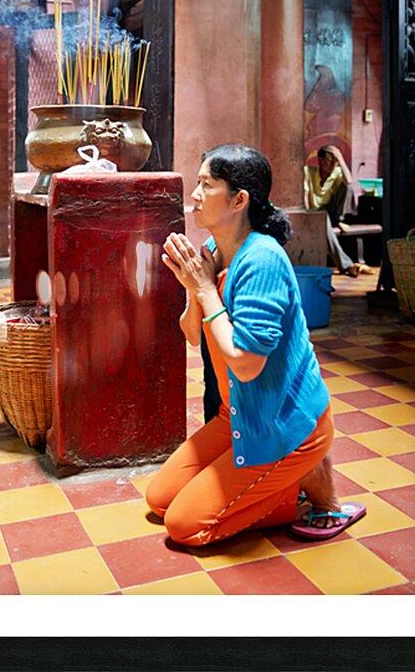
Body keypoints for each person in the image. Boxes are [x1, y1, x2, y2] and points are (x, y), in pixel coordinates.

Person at [145, 144, 366, 546]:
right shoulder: (214, 252)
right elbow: (193, 334)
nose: (194, 194)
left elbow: (246, 365)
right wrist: (196, 291)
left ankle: (290, 489)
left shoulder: (262, 260)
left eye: (206, 185)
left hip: (281, 423)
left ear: (239, 200)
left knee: (183, 527)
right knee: (158, 500)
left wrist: (206, 292)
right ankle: (280, 483)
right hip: (239, 417)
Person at [304, 145, 371, 277]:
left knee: (348, 187)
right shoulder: (308, 171)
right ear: (320, 160)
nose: (333, 164)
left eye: (335, 161)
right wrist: (307, 216)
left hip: (330, 211)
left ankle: (338, 221)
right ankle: (347, 265)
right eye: (329, 160)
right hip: (314, 213)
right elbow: (305, 195)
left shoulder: (337, 173)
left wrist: (340, 158)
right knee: (324, 222)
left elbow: (349, 181)